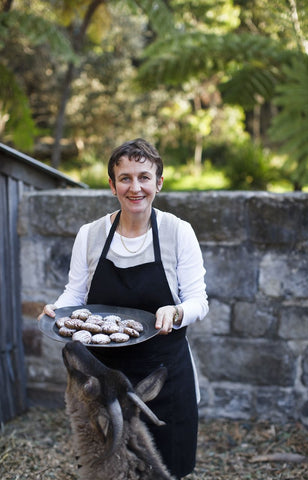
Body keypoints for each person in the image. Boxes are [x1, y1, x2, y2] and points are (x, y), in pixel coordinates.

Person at [39, 138, 208, 479]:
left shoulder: (178, 233)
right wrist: (56, 309)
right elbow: (76, 292)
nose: (135, 188)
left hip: (163, 374)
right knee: (110, 465)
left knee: (166, 466)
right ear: (112, 184)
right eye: (125, 178)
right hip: (104, 377)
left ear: (158, 183)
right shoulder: (90, 234)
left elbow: (198, 301)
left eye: (144, 177)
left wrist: (175, 312)